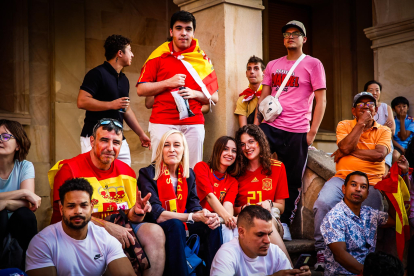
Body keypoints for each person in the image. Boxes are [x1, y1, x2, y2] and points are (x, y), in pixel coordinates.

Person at [49, 118, 165, 276]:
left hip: (119, 227)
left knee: (155, 232)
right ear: (92, 141)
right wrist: (107, 228)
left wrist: (136, 212)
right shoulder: (69, 170)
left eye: (116, 142)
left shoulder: (127, 171)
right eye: (104, 140)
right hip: (76, 232)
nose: (110, 148)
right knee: (110, 241)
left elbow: (128, 215)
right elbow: (65, 216)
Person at [254, 20, 327, 236]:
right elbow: (264, 96)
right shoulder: (273, 65)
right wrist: (256, 127)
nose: (290, 36)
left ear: (304, 39)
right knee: (255, 167)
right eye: (287, 33)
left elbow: (321, 101)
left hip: (297, 130)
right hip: (270, 126)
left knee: (292, 178)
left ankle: (283, 221)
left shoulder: (314, 64)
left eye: (296, 33)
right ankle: (254, 211)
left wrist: (312, 132)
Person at [313, 92, 392, 271]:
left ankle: (367, 256)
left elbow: (379, 155)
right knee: (323, 202)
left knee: (370, 216)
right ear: (353, 111)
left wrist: (347, 151)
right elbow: (346, 145)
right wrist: (361, 124)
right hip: (342, 178)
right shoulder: (345, 125)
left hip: (371, 183)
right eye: (361, 105)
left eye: (370, 104)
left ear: (376, 108)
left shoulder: (384, 130)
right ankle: (320, 251)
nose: (366, 107)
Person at [136, 10, 219, 168]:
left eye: (188, 29)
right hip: (162, 121)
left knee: (192, 171)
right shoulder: (158, 56)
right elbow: (141, 90)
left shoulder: (203, 60)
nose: (183, 33)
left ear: (193, 32)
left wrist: (194, 93)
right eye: (179, 28)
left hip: (193, 122)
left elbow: (214, 97)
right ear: (171, 31)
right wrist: (168, 82)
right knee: (161, 171)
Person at [138, 129, 222, 276]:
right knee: (176, 225)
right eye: (167, 145)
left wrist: (205, 214)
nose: (172, 149)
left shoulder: (188, 175)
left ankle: (215, 272)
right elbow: (157, 214)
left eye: (177, 145)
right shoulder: (147, 174)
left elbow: (194, 205)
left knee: (212, 224)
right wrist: (191, 217)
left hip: (181, 222)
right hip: (157, 226)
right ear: (161, 150)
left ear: (183, 150)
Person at [26, 178, 135, 276]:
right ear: (61, 209)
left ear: (91, 207)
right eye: (71, 206)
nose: (78, 211)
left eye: (84, 205)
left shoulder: (104, 238)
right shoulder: (42, 243)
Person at [77, 34, 151, 166]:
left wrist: (141, 134)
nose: (133, 55)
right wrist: (111, 104)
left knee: (125, 175)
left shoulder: (124, 80)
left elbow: (126, 110)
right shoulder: (96, 74)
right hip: (93, 137)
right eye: (130, 50)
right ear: (120, 53)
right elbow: (82, 101)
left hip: (118, 138)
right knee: (95, 180)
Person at [320, 171, 395, 276]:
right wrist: (369, 274)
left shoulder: (369, 213)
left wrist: (387, 192)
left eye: (363, 187)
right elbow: (340, 255)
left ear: (367, 194)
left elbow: (394, 219)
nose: (358, 189)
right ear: (344, 189)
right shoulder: (334, 217)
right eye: (353, 185)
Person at [234, 124, 291, 260]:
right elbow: (230, 207)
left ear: (260, 141)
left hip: (271, 220)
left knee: (265, 220)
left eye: (251, 142)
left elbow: (281, 207)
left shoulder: (277, 167)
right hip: (244, 222)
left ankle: (289, 266)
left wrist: (268, 204)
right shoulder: (235, 171)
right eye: (242, 144)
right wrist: (243, 208)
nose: (247, 148)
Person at [210, 205, 311, 276]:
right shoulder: (227, 254)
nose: (267, 241)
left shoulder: (275, 251)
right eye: (260, 234)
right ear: (241, 232)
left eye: (269, 234)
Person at [0, 120, 39, 270]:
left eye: (5, 136)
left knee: (25, 215)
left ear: (18, 145)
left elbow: (29, 204)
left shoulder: (25, 166)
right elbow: (27, 196)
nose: (0, 140)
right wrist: (23, 192)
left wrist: (6, 203)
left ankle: (30, 266)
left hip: (18, 221)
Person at [194, 136, 240, 243]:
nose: (230, 153)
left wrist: (228, 219)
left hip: (217, 220)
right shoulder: (202, 167)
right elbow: (209, 196)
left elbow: (228, 204)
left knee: (232, 228)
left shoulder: (232, 181)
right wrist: (227, 217)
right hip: (199, 218)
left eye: (234, 151)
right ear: (217, 150)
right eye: (225, 149)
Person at [364, 80, 395, 173]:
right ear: (365, 92)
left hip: (384, 144)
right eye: (371, 90)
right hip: (367, 144)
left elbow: (392, 131)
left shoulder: (386, 107)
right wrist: (383, 128)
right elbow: (362, 128)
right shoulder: (362, 107)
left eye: (377, 90)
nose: (374, 93)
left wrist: (375, 129)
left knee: (383, 172)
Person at [234, 56, 265, 127]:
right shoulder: (243, 98)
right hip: (252, 135)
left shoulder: (270, 94)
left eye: (256, 68)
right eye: (249, 69)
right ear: (246, 73)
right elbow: (243, 127)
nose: (252, 72)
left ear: (264, 73)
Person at [391, 96, 414, 163]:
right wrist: (401, 149)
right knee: (395, 155)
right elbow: (390, 139)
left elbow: (403, 137)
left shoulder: (411, 121)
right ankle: (394, 173)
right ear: (393, 109)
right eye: (398, 106)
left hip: (410, 146)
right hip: (397, 146)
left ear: (408, 107)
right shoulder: (392, 120)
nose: (401, 109)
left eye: (404, 106)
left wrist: (402, 120)